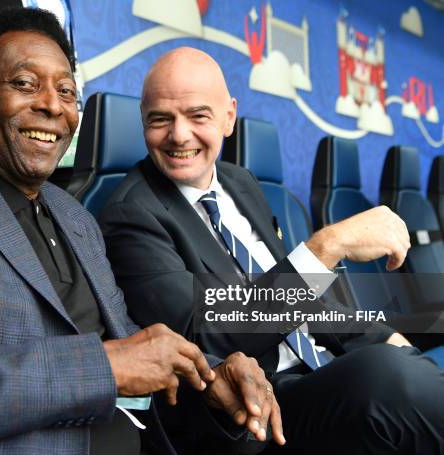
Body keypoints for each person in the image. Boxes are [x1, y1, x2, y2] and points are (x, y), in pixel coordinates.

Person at [0, 9, 284, 454]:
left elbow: (134, 345)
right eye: (25, 84)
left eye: (67, 91)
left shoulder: (76, 216)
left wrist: (212, 375)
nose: (53, 105)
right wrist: (322, 253)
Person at [99, 47, 444, 454]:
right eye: (160, 119)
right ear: (143, 123)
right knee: (389, 377)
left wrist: (384, 336)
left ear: (229, 117)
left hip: (325, 368)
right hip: (262, 406)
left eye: (197, 116)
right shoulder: (130, 213)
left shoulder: (239, 182)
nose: (178, 135)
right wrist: (326, 246)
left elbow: (305, 305)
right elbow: (205, 333)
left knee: (401, 365)